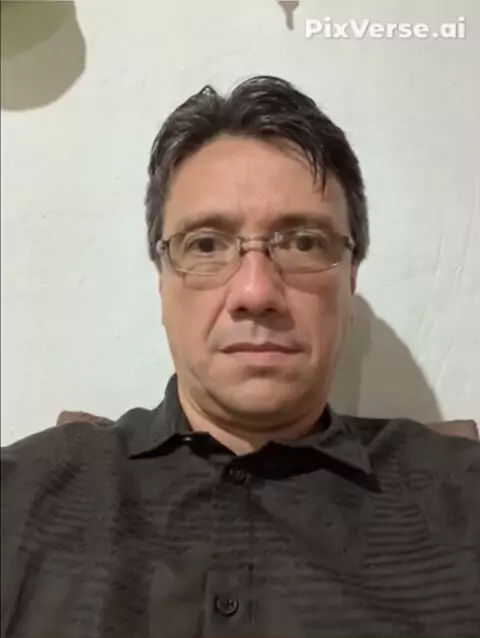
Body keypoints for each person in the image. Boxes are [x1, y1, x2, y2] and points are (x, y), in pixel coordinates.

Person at [1, 75, 479, 638]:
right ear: (162, 283)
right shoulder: (19, 498)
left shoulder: (463, 499)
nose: (256, 292)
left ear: (350, 283)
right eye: (206, 244)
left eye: (304, 243)